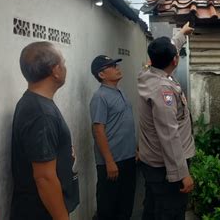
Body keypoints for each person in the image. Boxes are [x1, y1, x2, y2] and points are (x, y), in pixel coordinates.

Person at [11, 41, 79, 220]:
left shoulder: (36, 103)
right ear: (55, 71)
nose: (65, 68)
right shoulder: (41, 114)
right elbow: (44, 178)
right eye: (63, 64)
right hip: (40, 212)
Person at [137, 22, 195, 220]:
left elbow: (169, 49)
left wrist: (181, 34)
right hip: (166, 169)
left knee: (153, 209)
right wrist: (182, 174)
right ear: (175, 61)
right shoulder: (163, 91)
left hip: (152, 164)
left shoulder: (147, 72)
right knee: (170, 212)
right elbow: (169, 135)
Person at [89, 55, 137, 220]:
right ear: (101, 75)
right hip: (112, 162)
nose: (117, 68)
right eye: (112, 66)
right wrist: (109, 161)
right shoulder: (100, 97)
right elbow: (98, 130)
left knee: (125, 206)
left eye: (115, 65)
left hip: (128, 159)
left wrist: (135, 149)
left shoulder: (120, 91)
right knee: (108, 209)